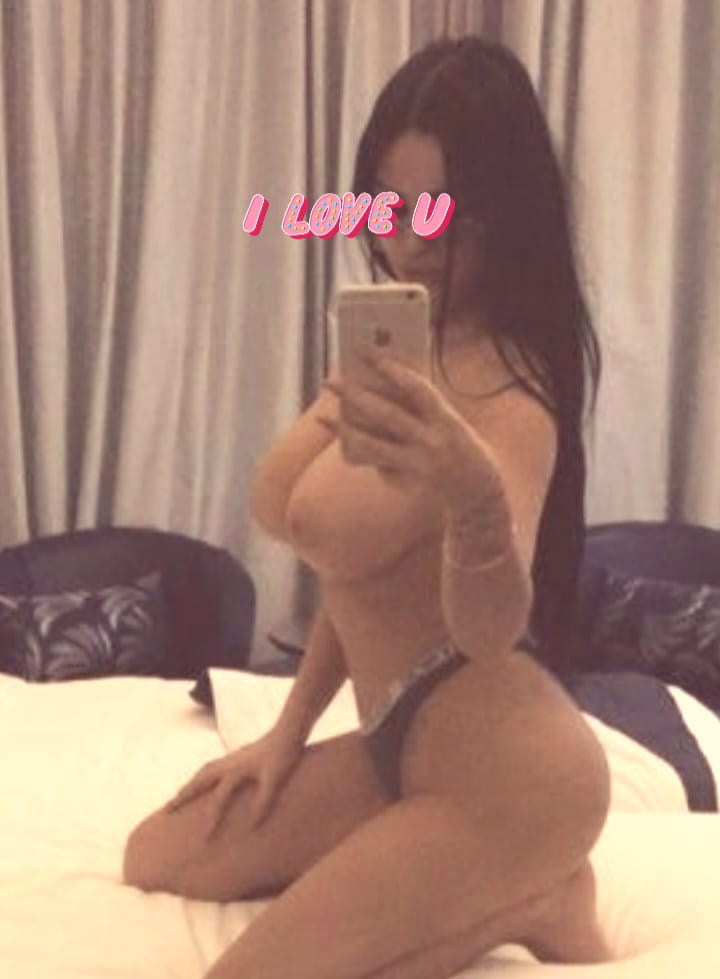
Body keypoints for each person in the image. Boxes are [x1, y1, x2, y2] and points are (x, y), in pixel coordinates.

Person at [123, 36, 612, 979]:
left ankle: (534, 890)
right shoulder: (393, 353)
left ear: (502, 218)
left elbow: (489, 627)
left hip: (510, 778)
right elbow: (361, 578)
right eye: (391, 205)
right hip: (399, 749)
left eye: (443, 214)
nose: (408, 240)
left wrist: (474, 500)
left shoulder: (510, 393)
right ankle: (508, 890)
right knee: (159, 855)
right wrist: (286, 734)